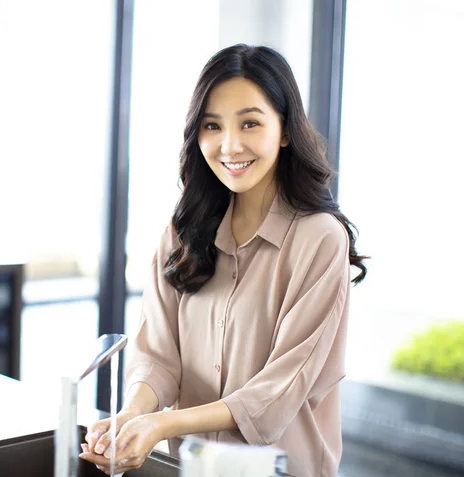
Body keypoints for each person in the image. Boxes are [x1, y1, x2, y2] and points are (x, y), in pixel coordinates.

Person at [79, 43, 367, 477]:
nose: (230, 145)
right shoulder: (183, 231)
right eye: (212, 126)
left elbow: (277, 393)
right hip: (189, 469)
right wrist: (131, 417)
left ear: (285, 130)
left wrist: (162, 424)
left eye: (250, 122)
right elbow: (157, 355)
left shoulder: (320, 239)